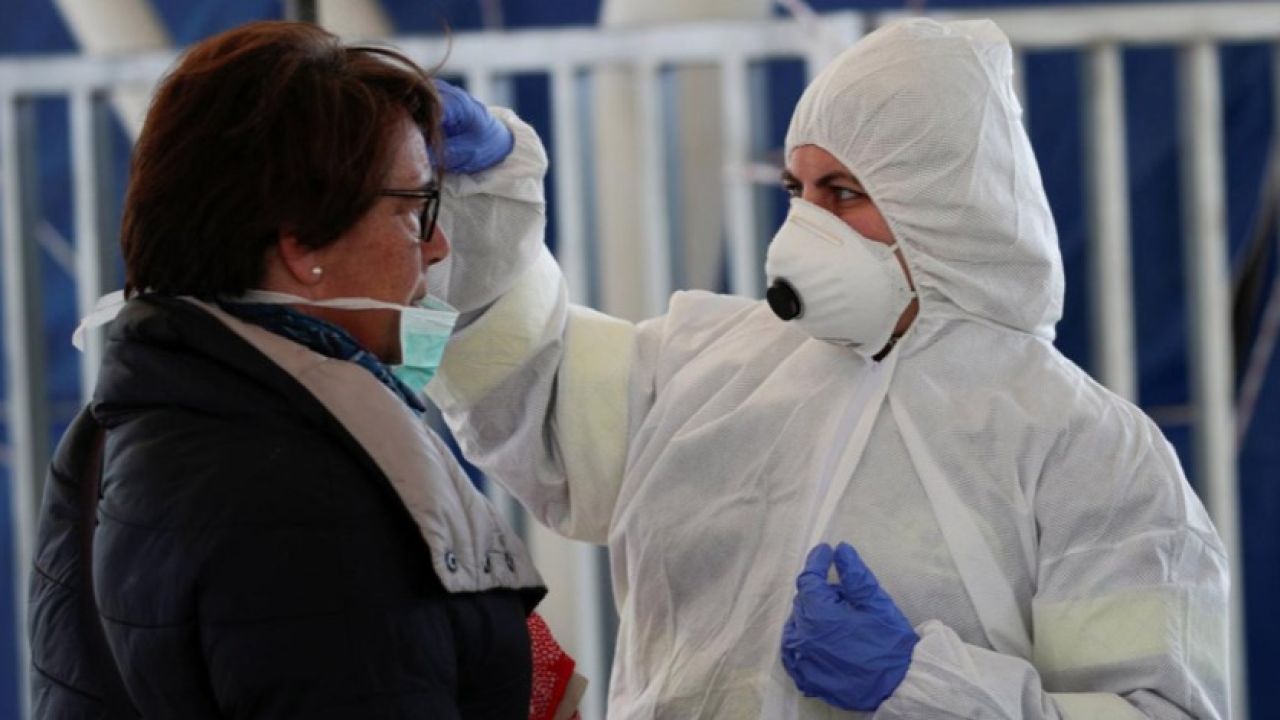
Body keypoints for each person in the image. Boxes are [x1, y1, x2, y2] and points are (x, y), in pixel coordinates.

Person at [425, 17, 1230, 719]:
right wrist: (480, 204)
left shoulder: (1086, 450)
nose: (805, 227)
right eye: (797, 189)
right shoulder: (704, 364)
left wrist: (924, 687)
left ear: (944, 204)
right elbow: (521, 383)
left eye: (842, 193)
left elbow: (1158, 709)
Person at [27, 21, 573, 719]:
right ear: (302, 243)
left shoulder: (126, 426)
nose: (437, 247)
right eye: (415, 208)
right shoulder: (308, 494)